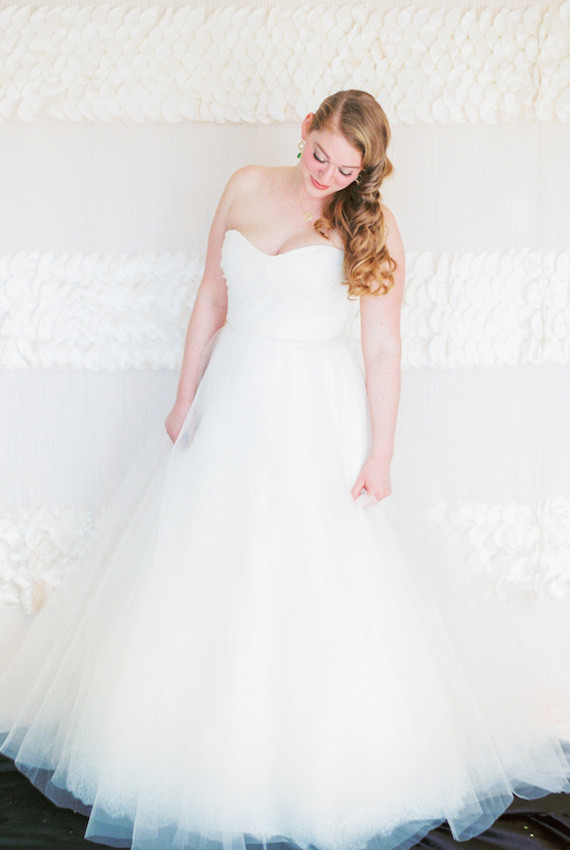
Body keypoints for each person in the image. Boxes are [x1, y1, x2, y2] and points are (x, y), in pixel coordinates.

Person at [0, 90, 569, 850]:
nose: (325, 177)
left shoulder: (370, 225)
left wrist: (382, 452)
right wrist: (184, 397)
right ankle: (203, 758)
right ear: (305, 129)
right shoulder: (243, 185)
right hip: (231, 401)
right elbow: (211, 296)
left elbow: (382, 347)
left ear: (366, 171)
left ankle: (318, 768)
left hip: (316, 415)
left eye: (344, 171)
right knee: (211, 567)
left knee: (311, 577)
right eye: (319, 156)